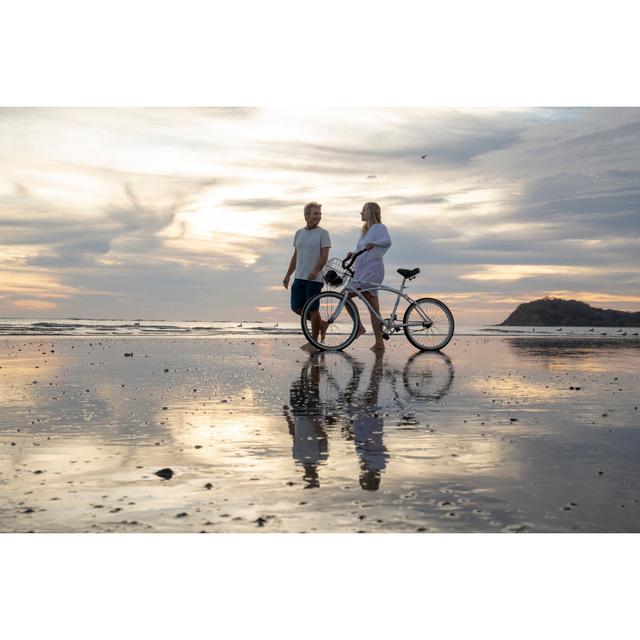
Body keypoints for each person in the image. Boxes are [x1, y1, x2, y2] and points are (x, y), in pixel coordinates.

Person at [283, 202, 331, 350]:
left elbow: (324, 256)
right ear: (306, 215)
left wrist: (316, 270)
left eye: (320, 214)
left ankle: (314, 342)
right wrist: (288, 275)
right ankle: (322, 324)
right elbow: (296, 256)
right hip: (299, 277)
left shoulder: (323, 233)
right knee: (296, 307)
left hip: (314, 279)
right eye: (315, 213)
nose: (318, 217)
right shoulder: (299, 233)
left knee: (312, 309)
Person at [346, 202, 392, 351]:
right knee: (373, 308)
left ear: (371, 212)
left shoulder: (380, 228)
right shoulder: (364, 231)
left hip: (372, 271)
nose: (361, 213)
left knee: (345, 296)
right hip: (363, 270)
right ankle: (379, 342)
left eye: (364, 211)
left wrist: (374, 244)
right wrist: (353, 254)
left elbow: (387, 242)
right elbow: (362, 250)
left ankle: (362, 329)